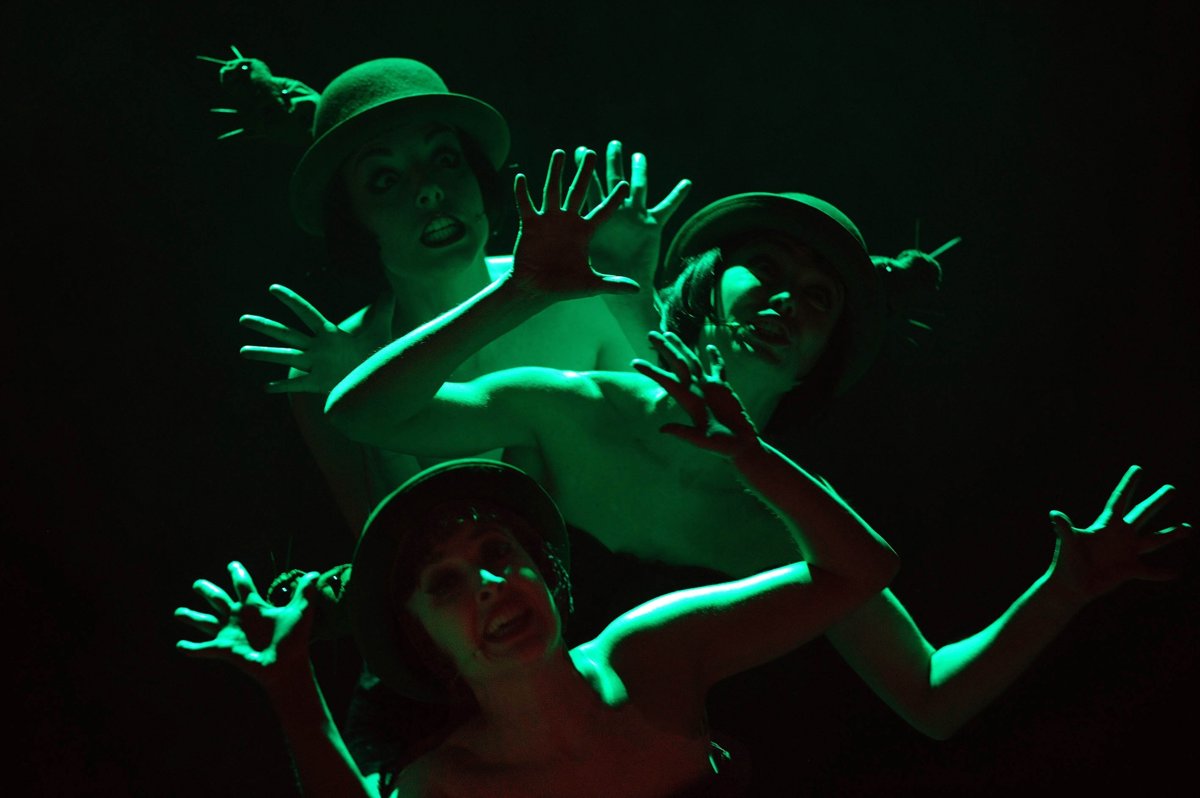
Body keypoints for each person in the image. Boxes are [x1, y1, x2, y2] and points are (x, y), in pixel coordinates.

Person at [324, 148, 1189, 748]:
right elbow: (363, 413)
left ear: (821, 362)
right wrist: (520, 292)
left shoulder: (795, 524)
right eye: (767, 269)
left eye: (818, 299)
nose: (787, 300)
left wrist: (1065, 587)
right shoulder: (577, 407)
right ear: (705, 282)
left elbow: (932, 695)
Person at [175, 409, 901, 796]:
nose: (489, 584)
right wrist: (290, 685)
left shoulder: (653, 652)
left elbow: (862, 570)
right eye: (446, 584)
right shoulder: (451, 784)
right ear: (421, 639)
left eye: (497, 553)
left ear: (546, 572)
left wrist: (749, 455)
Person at [236, 56, 691, 536]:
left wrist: (633, 293)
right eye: (385, 179)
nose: (429, 189)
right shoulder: (329, 364)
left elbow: (682, 450)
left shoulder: (582, 289)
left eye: (445, 158)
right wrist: (364, 396)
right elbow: (391, 550)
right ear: (353, 221)